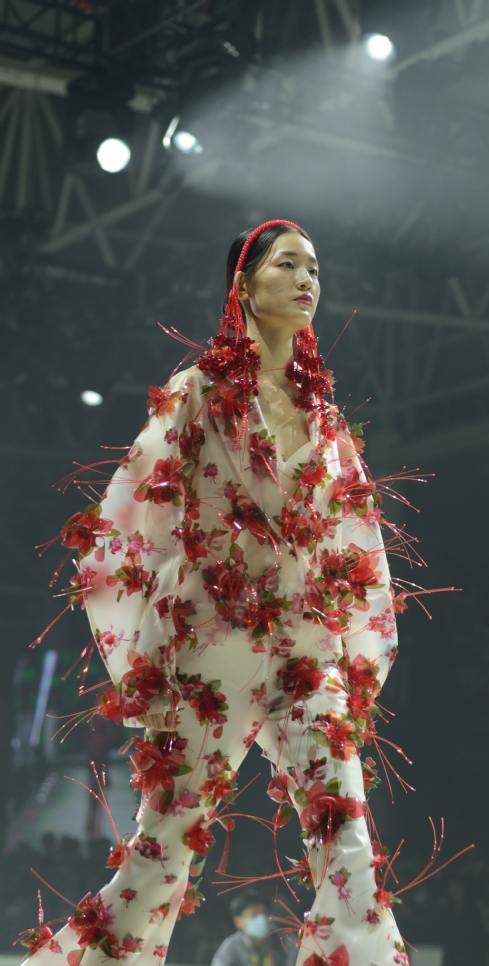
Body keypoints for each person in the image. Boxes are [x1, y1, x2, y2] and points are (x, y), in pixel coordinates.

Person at [20, 221, 411, 966]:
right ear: (244, 285)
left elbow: (354, 539)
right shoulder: (197, 392)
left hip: (308, 650)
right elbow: (135, 525)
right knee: (164, 847)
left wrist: (355, 649)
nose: (308, 279)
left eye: (315, 268)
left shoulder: (327, 420)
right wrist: (155, 656)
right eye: (288, 264)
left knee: (347, 836)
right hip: (211, 647)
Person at [212, 891, 295, 966]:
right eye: (254, 914)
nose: (261, 917)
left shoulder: (285, 940)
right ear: (238, 922)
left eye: (264, 912)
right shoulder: (231, 949)